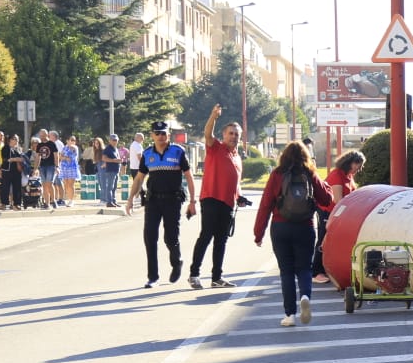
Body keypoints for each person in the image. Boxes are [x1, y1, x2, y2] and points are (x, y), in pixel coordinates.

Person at [253, 140, 331, 327]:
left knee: (286, 272)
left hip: (281, 227)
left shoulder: (277, 175)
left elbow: (265, 205)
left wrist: (259, 233)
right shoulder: (310, 174)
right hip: (305, 227)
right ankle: (305, 295)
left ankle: (290, 315)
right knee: (304, 269)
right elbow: (327, 199)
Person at [125, 121, 197, 288]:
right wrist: (130, 200)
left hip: (173, 200)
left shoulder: (178, 152)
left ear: (168, 135)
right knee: (150, 237)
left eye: (163, 133)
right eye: (157, 133)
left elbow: (189, 176)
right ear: (152, 135)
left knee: (170, 238)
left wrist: (193, 201)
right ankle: (153, 276)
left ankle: (177, 261)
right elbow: (139, 178)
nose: (160, 136)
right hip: (153, 201)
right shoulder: (148, 154)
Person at [188, 105, 245, 290]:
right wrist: (213, 116)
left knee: (221, 239)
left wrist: (240, 196)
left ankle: (216, 277)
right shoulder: (216, 148)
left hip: (228, 202)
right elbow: (207, 133)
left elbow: (236, 181)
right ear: (224, 135)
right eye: (231, 133)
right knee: (206, 236)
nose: (234, 137)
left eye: (237, 134)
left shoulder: (237, 156)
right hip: (211, 198)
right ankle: (194, 274)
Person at [315, 149, 365, 284]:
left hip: (339, 213)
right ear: (350, 162)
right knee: (323, 238)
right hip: (328, 211)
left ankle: (327, 268)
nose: (359, 169)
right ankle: (316, 271)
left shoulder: (348, 175)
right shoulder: (337, 175)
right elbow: (338, 200)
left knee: (333, 240)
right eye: (358, 165)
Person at [1, 134, 26, 210]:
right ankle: (4, 204)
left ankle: (17, 204)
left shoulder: (19, 149)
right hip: (7, 170)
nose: (17, 141)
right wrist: (16, 159)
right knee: (5, 187)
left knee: (17, 188)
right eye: (15, 139)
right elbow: (5, 159)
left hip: (17, 171)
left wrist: (19, 159)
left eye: (17, 139)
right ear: (10, 140)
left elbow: (23, 159)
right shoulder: (5, 148)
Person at [95, 137, 120, 207]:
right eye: (113, 140)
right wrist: (114, 160)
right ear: (110, 141)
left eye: (116, 140)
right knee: (109, 187)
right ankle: (108, 201)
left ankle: (113, 201)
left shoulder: (115, 149)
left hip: (116, 170)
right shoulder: (107, 149)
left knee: (114, 187)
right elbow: (104, 158)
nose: (115, 141)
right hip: (110, 170)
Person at [59, 134, 81, 207]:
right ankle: (68, 199)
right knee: (66, 184)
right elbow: (61, 156)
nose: (72, 141)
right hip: (64, 167)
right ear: (67, 141)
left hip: (72, 167)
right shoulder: (64, 148)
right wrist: (65, 158)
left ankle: (71, 200)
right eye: (71, 140)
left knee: (71, 184)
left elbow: (72, 155)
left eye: (74, 140)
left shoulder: (75, 147)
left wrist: (64, 157)